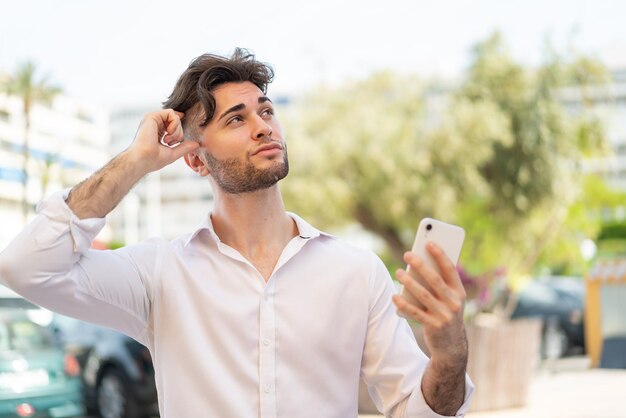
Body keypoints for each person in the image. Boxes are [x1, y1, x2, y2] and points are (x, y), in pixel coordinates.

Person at [0, 48, 473, 417]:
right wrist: (135, 161)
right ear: (193, 157)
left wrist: (450, 354)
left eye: (265, 111)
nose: (262, 127)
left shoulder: (356, 272)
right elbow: (24, 269)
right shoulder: (158, 272)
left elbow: (419, 412)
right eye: (236, 119)